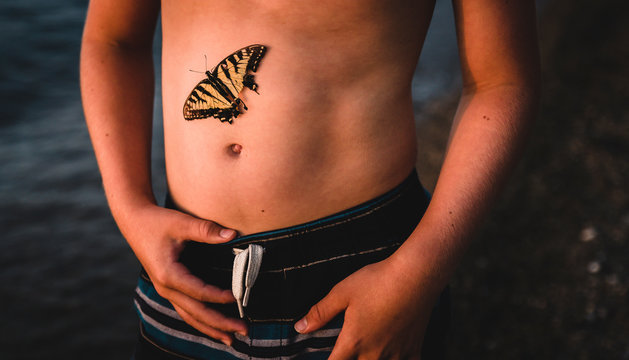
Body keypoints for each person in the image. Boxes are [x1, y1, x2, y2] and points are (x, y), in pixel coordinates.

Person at [80, 0, 540, 358]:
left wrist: (419, 271)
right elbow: (114, 39)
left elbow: (501, 81)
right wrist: (130, 209)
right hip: (187, 272)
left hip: (369, 272)